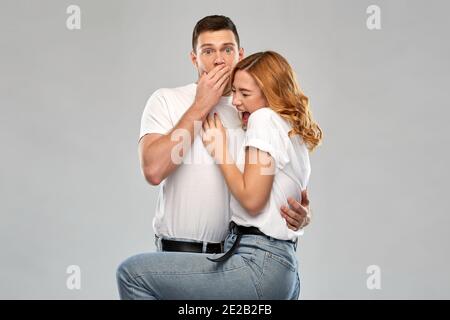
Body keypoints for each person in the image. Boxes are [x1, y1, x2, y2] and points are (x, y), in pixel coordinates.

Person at [116, 50, 322, 300]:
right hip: (283, 270)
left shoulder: (263, 119)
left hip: (256, 264)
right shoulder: (291, 130)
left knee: (132, 274)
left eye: (244, 94)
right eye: (234, 91)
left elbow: (253, 201)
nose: (235, 101)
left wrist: (220, 150)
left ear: (271, 93)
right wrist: (305, 218)